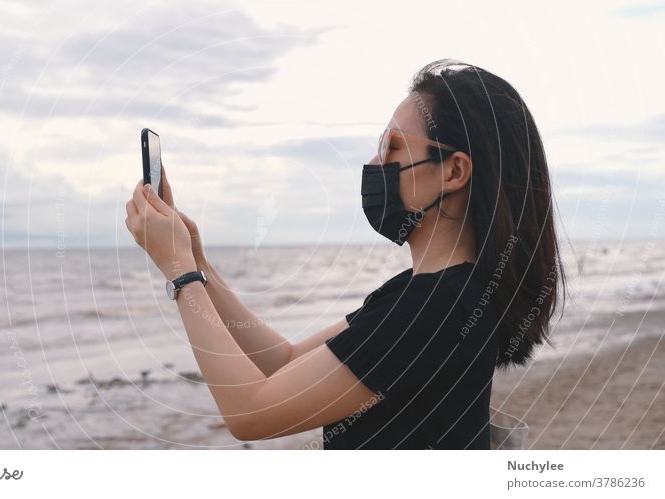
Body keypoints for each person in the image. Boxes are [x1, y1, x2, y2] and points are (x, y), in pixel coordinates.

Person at [124, 58, 565, 449]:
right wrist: (198, 261)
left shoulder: (434, 307)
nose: (376, 164)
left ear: (453, 171)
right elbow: (286, 362)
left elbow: (250, 414)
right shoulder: (428, 293)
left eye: (393, 147)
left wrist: (180, 273)